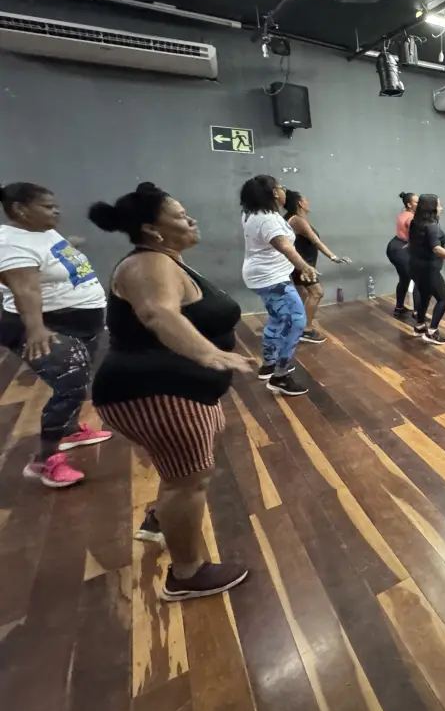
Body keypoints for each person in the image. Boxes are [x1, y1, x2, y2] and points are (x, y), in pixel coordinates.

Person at [89, 183, 254, 600]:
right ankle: (186, 574)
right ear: (152, 229)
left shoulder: (166, 261)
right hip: (156, 391)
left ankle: (159, 522)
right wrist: (209, 354)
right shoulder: (148, 263)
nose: (191, 220)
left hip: (176, 390)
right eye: (180, 215)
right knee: (188, 482)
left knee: (182, 469)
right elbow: (156, 312)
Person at [0, 182, 110, 488]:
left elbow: (45, 267)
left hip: (78, 322)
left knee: (79, 380)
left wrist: (70, 246)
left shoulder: (42, 232)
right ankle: (43, 461)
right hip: (47, 325)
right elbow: (25, 289)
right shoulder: (11, 243)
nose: (57, 211)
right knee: (70, 385)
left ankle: (70, 430)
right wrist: (36, 329)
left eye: (55, 205)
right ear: (20, 210)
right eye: (48, 207)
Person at [239, 175, 315, 396]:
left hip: (264, 275)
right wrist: (304, 266)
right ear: (274, 193)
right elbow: (285, 247)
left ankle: (269, 364)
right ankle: (280, 376)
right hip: (271, 279)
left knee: (277, 318)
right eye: (281, 187)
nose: (284, 191)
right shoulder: (267, 220)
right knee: (296, 321)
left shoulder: (254, 212)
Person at [284, 190, 349, 345]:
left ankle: (296, 326)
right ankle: (305, 330)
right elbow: (316, 242)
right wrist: (334, 257)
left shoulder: (292, 218)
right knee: (317, 292)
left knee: (303, 295)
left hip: (300, 264)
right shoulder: (298, 220)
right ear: (300, 203)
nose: (308, 202)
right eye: (305, 200)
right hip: (302, 265)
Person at [408, 194, 445, 345]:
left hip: (415, 266)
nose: (441, 208)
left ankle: (420, 326)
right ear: (431, 208)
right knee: (444, 298)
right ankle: (432, 332)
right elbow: (436, 249)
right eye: (439, 205)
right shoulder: (431, 226)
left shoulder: (416, 222)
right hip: (429, 269)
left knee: (425, 296)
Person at [388, 191, 418, 320]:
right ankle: (418, 313)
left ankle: (399, 308)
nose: (420, 204)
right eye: (417, 202)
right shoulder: (411, 218)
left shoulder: (405, 213)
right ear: (409, 204)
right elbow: (415, 232)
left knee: (405, 279)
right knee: (418, 279)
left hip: (396, 246)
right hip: (400, 249)